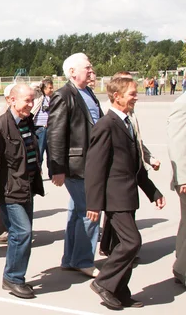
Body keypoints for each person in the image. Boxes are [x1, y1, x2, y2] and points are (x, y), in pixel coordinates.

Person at [85, 76, 165, 309]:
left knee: (123, 244)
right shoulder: (106, 125)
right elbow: (94, 168)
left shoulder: (128, 122)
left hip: (129, 195)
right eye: (131, 93)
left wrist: (153, 192)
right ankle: (104, 282)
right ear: (116, 96)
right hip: (115, 197)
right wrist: (93, 204)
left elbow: (135, 165)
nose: (136, 97)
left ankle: (120, 291)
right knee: (132, 243)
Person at [0, 84, 44, 299]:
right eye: (26, 100)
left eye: (32, 100)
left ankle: (17, 276)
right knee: (22, 233)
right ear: (11, 100)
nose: (31, 104)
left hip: (25, 188)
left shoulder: (27, 123)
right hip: (9, 192)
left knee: (23, 234)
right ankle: (13, 278)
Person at [47, 53, 103, 277]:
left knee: (75, 212)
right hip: (76, 165)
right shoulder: (64, 95)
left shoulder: (88, 92)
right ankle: (83, 259)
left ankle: (70, 258)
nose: (91, 70)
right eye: (86, 67)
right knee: (91, 209)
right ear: (72, 72)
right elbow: (55, 134)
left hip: (91, 162)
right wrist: (57, 169)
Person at [167, 89, 186, 287]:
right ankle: (182, 270)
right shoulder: (182, 104)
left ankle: (182, 261)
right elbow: (177, 142)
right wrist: (182, 178)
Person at [31, 78, 54, 178]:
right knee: (39, 152)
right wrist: (41, 84)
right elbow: (32, 87)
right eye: (50, 88)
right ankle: (38, 172)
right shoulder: (38, 96)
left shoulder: (52, 98)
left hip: (50, 128)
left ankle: (52, 172)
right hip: (40, 128)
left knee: (51, 152)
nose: (52, 90)